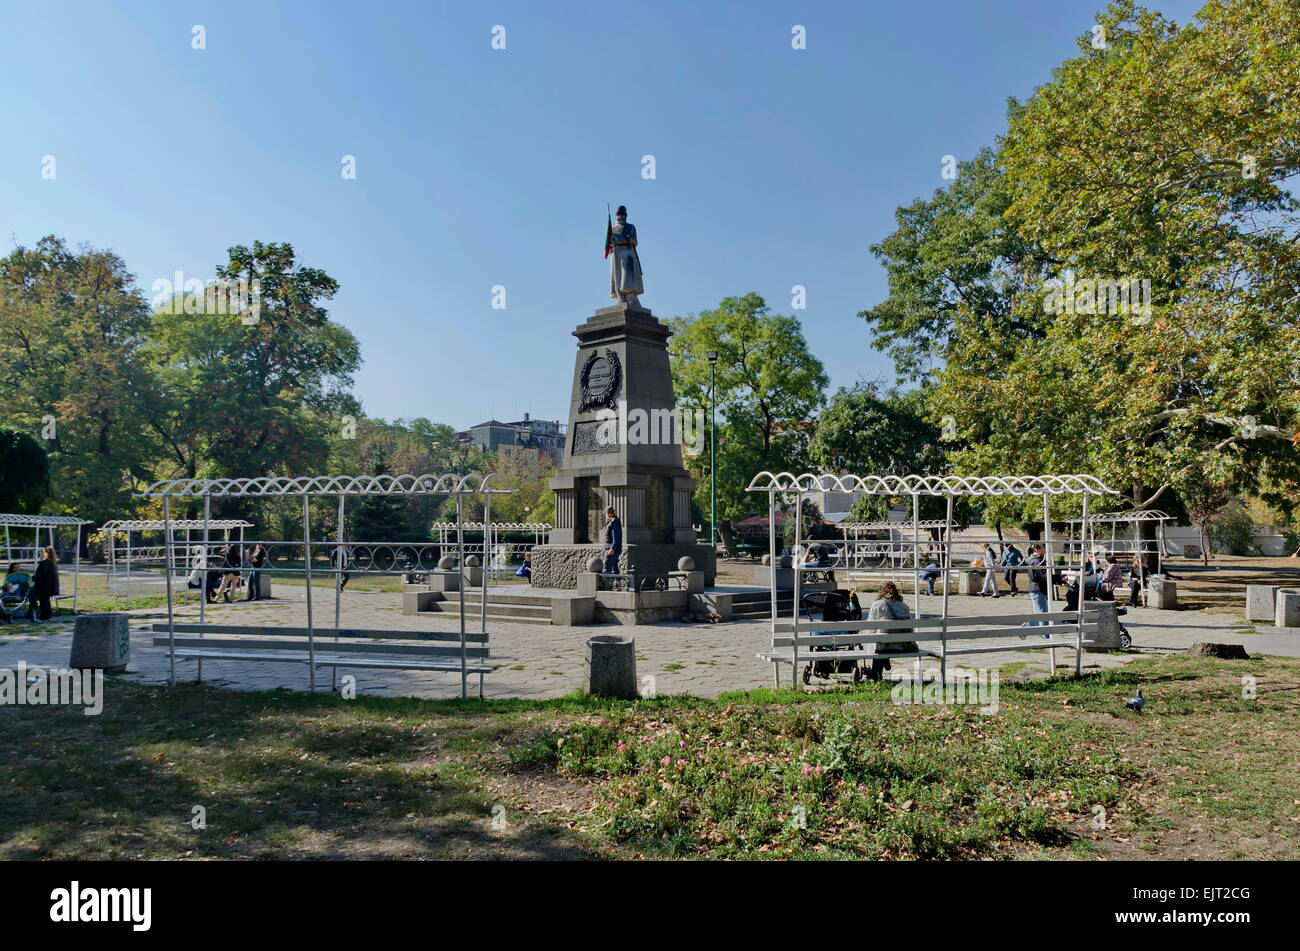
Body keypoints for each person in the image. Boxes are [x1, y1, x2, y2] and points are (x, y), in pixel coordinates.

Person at [866, 581, 918, 680]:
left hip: (881, 646)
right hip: (900, 646)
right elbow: (909, 629)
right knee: (885, 642)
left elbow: (870, 627)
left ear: (881, 591)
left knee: (879, 645)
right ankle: (883, 662)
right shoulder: (904, 606)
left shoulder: (876, 605)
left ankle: (875, 675)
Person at [1025, 543, 1051, 634]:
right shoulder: (1037, 561)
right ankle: (1046, 637)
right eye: (1043, 548)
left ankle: (1025, 629)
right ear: (1037, 550)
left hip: (1038, 589)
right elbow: (1041, 576)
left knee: (1040, 614)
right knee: (1043, 615)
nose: (1045, 550)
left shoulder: (1039, 559)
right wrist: (1056, 578)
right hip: (1038, 589)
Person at [600, 506, 622, 574]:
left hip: (611, 549)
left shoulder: (614, 522)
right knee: (614, 569)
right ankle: (617, 584)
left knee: (606, 568)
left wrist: (612, 548)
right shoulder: (612, 521)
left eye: (605, 513)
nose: (605, 515)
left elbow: (616, 537)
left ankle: (607, 584)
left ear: (608, 513)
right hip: (613, 548)